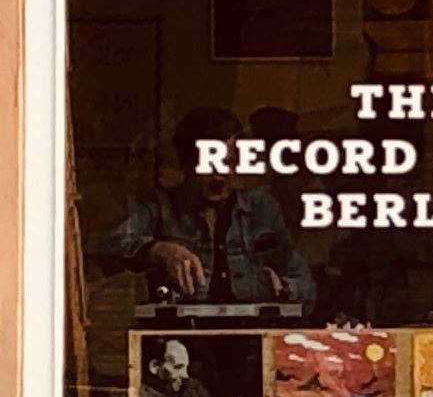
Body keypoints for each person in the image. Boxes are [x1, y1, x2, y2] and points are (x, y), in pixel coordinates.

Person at [94, 106, 316, 309]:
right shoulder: (160, 207)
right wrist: (157, 250)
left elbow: (306, 286)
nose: (222, 175)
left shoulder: (261, 208)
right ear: (186, 163)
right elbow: (107, 246)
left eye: (229, 162)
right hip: (180, 342)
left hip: (252, 342)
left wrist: (284, 288)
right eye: (210, 163)